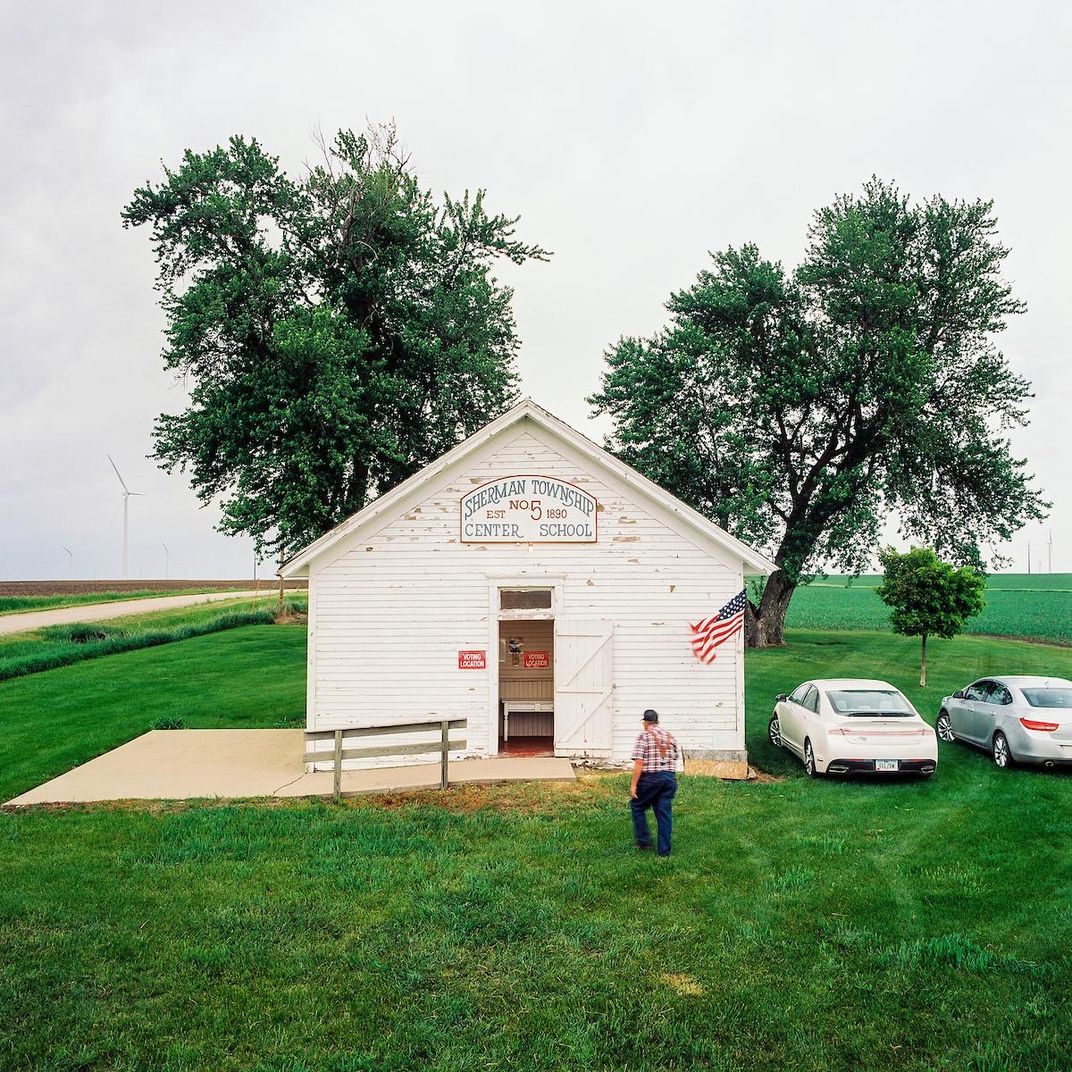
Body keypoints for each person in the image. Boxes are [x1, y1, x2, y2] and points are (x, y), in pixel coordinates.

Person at [629, 709, 680, 857]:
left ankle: (644, 841)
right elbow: (674, 757)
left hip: (651, 778)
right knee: (664, 814)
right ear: (657, 721)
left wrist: (633, 785)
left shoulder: (644, 736)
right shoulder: (670, 736)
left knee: (637, 805)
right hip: (669, 779)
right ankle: (664, 851)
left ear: (645, 722)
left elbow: (639, 762)